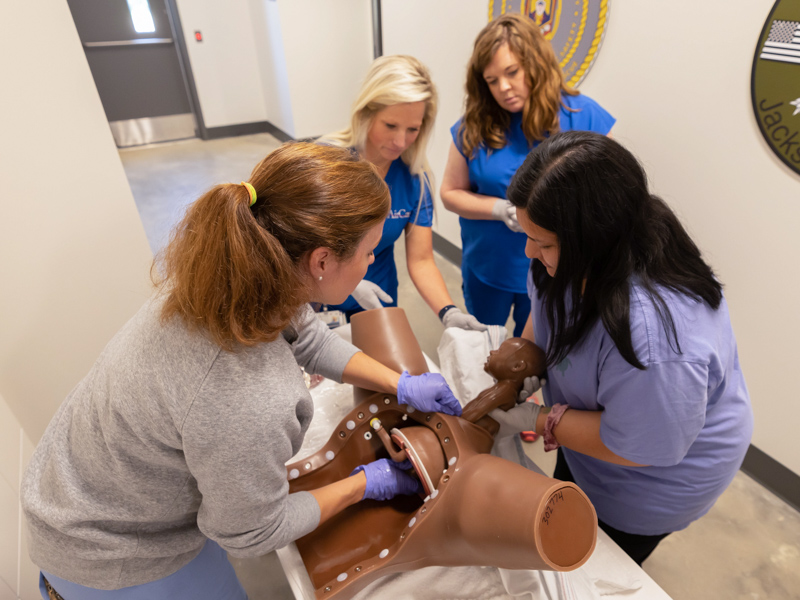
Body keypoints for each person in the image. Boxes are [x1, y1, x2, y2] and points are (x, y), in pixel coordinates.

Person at [21, 143, 465, 600]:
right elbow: (252, 532)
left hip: (81, 487)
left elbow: (308, 338)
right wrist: (365, 485)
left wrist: (401, 383)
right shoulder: (247, 394)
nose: (373, 262)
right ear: (322, 261)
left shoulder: (243, 275)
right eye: (370, 251)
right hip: (108, 555)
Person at [490, 131, 754, 565]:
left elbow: (639, 447)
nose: (528, 251)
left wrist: (537, 418)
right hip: (599, 442)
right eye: (527, 233)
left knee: (592, 562)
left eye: (544, 243)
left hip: (651, 480)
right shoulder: (569, 259)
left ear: (594, 238)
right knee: (564, 508)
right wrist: (520, 360)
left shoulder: (656, 339)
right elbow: (545, 314)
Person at [441, 13, 615, 337]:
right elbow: (450, 192)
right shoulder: (474, 125)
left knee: (538, 358)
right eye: (491, 80)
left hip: (556, 271)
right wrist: (499, 210)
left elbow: (614, 199)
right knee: (486, 349)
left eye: (512, 72)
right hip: (488, 266)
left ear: (535, 63)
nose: (504, 88)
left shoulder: (583, 115)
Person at [321, 55, 485, 331]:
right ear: (366, 112)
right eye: (390, 126)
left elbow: (421, 260)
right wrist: (348, 282)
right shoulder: (326, 162)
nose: (400, 141)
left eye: (413, 130)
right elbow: (293, 247)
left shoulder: (414, 180)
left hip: (376, 301)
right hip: (319, 299)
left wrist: (449, 312)